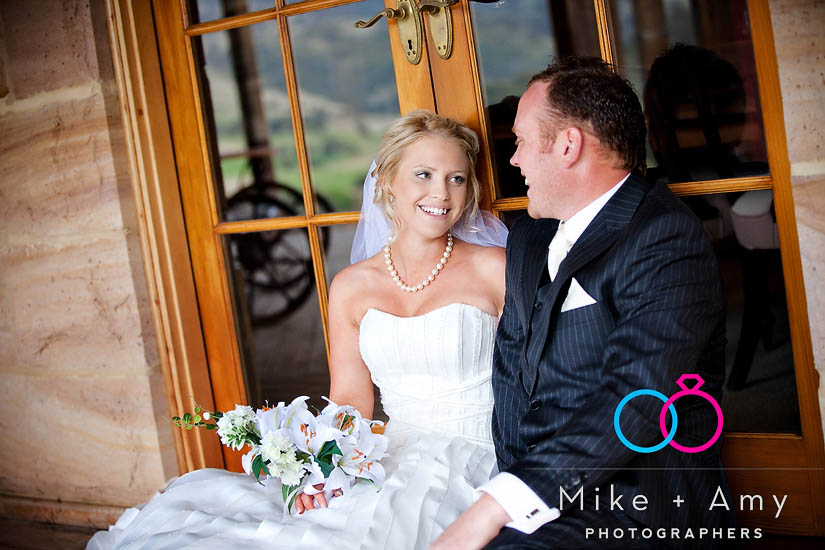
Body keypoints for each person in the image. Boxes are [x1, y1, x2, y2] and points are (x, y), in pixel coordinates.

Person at [86, 110, 508, 550]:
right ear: (387, 182)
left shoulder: (493, 268)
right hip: (390, 454)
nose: (441, 193)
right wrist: (325, 468)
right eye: (424, 174)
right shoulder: (351, 286)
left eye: (457, 179)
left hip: (473, 458)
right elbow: (350, 398)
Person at [432, 58, 734, 550]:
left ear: (568, 145)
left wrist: (497, 508)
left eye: (521, 141)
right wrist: (511, 498)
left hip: (634, 505)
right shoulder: (530, 236)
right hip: (537, 492)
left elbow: (638, 398)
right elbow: (511, 374)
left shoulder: (664, 237)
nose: (514, 160)